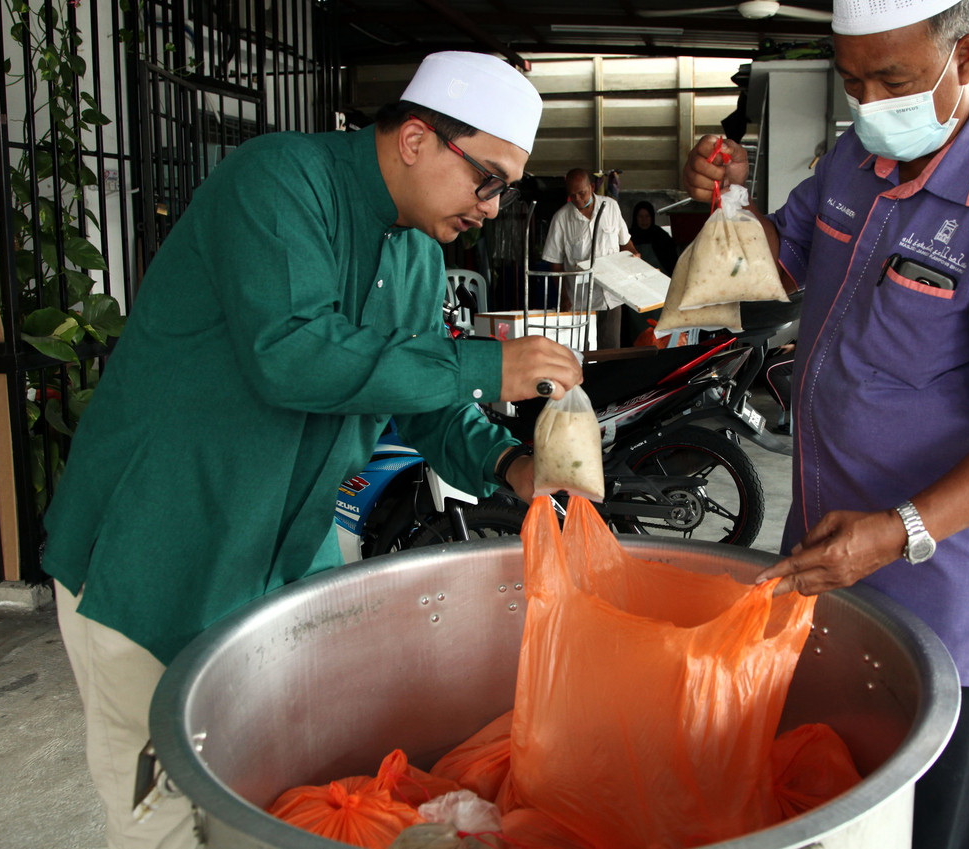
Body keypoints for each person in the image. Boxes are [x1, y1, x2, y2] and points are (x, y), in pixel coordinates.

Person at [41, 51, 582, 849]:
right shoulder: (279, 182)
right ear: (416, 138)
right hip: (155, 554)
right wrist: (487, 361)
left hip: (282, 561)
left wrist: (513, 466)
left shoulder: (415, 255)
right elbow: (291, 355)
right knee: (159, 814)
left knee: (297, 792)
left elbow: (417, 395)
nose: (493, 208)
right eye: (488, 179)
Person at [683, 0, 969, 849]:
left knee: (942, 829)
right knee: (830, 806)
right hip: (829, 560)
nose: (871, 103)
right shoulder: (854, 160)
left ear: (967, 54)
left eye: (895, 81)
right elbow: (776, 267)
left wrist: (900, 531)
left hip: (945, 589)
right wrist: (729, 202)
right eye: (854, 81)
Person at [540, 167, 639, 349]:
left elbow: (626, 243)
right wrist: (563, 297)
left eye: (582, 193)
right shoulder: (561, 218)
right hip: (580, 301)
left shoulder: (610, 207)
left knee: (610, 352)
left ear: (592, 187)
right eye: (572, 195)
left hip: (612, 296)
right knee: (583, 353)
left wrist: (635, 258)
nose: (577, 199)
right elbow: (555, 263)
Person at [627, 199, 679, 276]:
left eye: (647, 216)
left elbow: (673, 263)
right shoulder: (628, 237)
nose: (644, 220)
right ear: (635, 218)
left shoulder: (661, 236)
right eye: (640, 216)